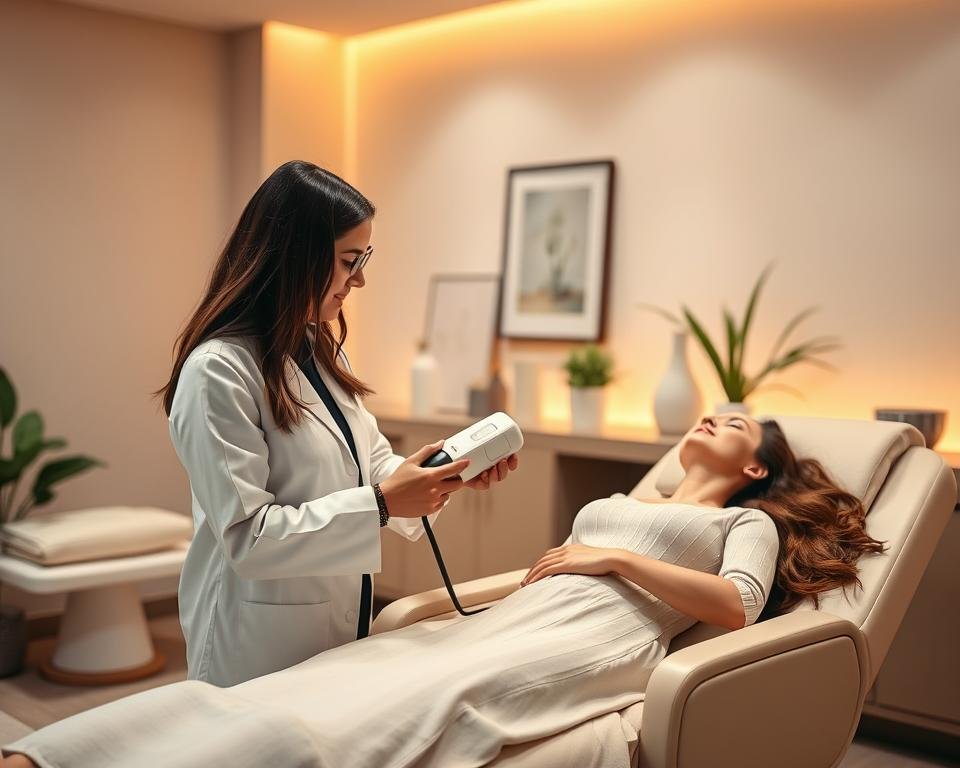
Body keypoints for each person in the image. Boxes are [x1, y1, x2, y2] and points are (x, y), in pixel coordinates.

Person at [1, 412, 885, 768]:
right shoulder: (623, 499)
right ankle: (61, 756)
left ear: (757, 464)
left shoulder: (748, 526)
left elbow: (732, 606)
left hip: (590, 644)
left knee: (348, 723)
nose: (710, 417)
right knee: (319, 682)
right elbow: (555, 567)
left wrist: (612, 562)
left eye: (733, 423)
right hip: (517, 617)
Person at [159, 160, 518, 686]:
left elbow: (372, 462)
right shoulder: (217, 371)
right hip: (254, 642)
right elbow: (247, 537)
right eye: (351, 259)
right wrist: (382, 504)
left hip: (333, 630)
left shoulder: (321, 353)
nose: (361, 278)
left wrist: (443, 476)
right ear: (296, 256)